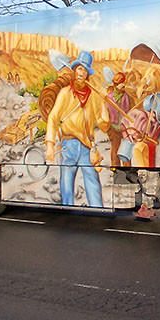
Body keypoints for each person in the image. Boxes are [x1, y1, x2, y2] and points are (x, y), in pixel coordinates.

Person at [45, 51, 110, 206]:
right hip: (69, 145)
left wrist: (103, 102)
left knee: (93, 183)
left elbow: (104, 125)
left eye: (85, 70)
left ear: (88, 74)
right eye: (79, 69)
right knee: (66, 183)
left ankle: (97, 211)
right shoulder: (65, 93)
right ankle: (67, 210)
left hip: (87, 147)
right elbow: (53, 118)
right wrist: (49, 144)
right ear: (74, 70)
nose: (81, 73)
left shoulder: (93, 96)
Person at [106, 71, 132, 166]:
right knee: (115, 149)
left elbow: (128, 110)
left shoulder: (126, 96)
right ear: (116, 84)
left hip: (124, 128)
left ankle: (127, 168)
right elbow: (107, 113)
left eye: (123, 82)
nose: (123, 85)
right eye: (121, 83)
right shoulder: (109, 98)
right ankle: (115, 168)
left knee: (126, 150)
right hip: (114, 128)